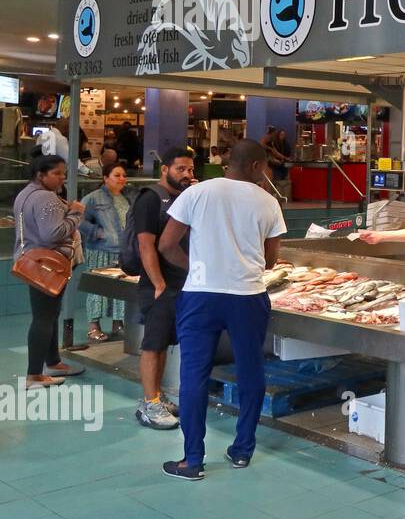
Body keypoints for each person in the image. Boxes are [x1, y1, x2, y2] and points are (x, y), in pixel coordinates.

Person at [158, 139, 286, 479]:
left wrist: (197, 267)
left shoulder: (197, 193)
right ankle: (242, 450)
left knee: (194, 375)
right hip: (248, 296)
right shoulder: (268, 202)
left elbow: (167, 245)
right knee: (250, 371)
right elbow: (271, 259)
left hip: (200, 296)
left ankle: (192, 459)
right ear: (258, 166)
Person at [129, 146, 196, 430]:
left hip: (181, 283)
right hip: (159, 285)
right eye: (180, 169)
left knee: (166, 342)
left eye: (191, 169)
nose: (187, 174)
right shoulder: (150, 199)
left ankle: (158, 395)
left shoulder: (185, 197)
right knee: (153, 344)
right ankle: (149, 403)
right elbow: (146, 245)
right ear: (164, 169)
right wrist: (157, 282)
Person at [13, 156, 87, 388]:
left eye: (64, 173)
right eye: (57, 173)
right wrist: (76, 213)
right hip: (47, 264)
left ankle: (52, 361)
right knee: (44, 317)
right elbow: (52, 234)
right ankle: (34, 375)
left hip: (31, 260)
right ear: (40, 174)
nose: (62, 178)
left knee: (49, 314)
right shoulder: (46, 198)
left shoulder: (25, 194)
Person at [79, 163, 131, 343]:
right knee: (98, 289)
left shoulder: (126, 198)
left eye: (123, 175)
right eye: (117, 175)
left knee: (121, 288)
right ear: (105, 178)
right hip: (100, 250)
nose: (122, 179)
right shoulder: (93, 198)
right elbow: (79, 219)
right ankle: (94, 326)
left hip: (122, 251)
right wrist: (98, 233)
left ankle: (118, 323)